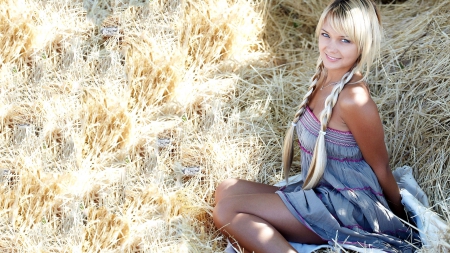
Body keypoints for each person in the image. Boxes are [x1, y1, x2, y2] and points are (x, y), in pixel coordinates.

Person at [213, 0, 419, 252]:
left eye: (345, 40)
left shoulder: (355, 101)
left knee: (227, 210)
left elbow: (381, 167)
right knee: (226, 190)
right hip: (320, 189)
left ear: (362, 44)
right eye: (326, 35)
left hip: (345, 206)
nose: (331, 48)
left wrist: (401, 220)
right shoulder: (324, 74)